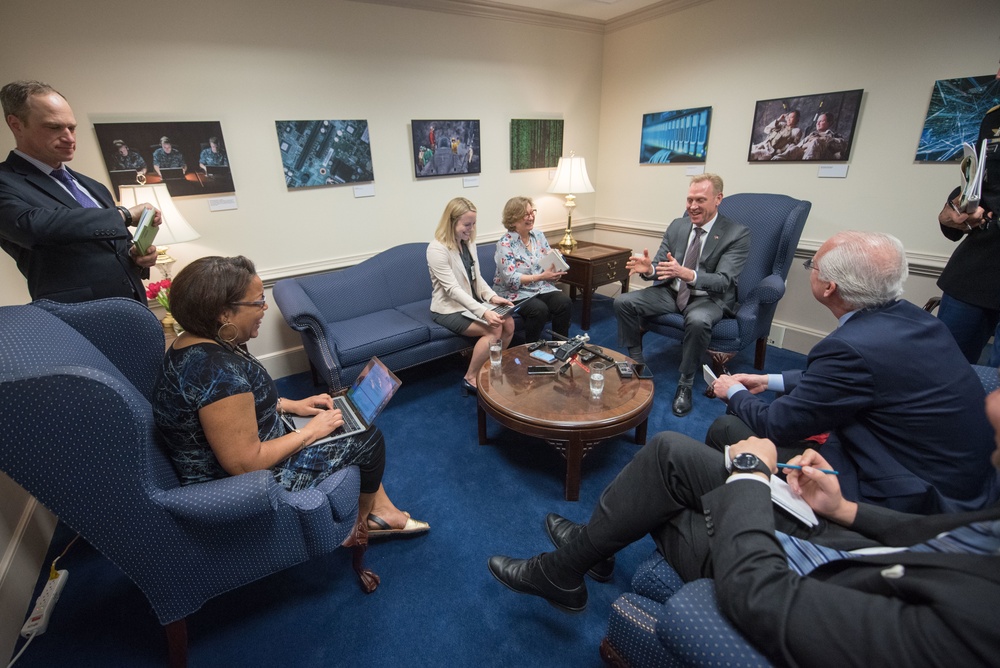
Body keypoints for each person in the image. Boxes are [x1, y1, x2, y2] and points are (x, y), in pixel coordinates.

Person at [487, 391, 1000, 665]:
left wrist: (751, 477)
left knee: (661, 496)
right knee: (666, 451)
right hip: (832, 534)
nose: (992, 404)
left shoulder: (974, 630)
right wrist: (845, 510)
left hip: (792, 574)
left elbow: (763, 597)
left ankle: (567, 566)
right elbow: (932, 532)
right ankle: (583, 555)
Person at [153, 256, 428, 588]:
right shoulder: (217, 372)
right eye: (258, 302)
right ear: (224, 313)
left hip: (249, 448)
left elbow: (238, 408)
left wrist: (292, 405)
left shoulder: (194, 342)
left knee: (347, 421)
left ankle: (381, 511)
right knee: (368, 438)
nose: (265, 308)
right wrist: (310, 433)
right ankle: (362, 524)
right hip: (245, 484)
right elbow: (245, 464)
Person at [707, 231, 1000, 514]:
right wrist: (768, 380)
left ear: (828, 287)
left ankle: (731, 514)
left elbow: (775, 424)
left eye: (813, 265)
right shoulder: (916, 317)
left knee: (726, 429)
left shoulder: (848, 347)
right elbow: (854, 379)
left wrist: (732, 391)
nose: (811, 269)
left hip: (912, 494)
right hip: (964, 479)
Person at [0, 80, 160, 303]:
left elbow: (112, 245)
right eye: (54, 127)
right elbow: (32, 227)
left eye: (72, 127)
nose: (69, 138)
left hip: (133, 308)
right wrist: (122, 214)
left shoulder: (92, 186)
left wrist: (137, 256)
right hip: (76, 316)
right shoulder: (6, 180)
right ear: (16, 125)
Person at [613, 173, 750, 417]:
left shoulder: (736, 233)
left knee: (698, 321)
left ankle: (685, 384)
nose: (693, 206)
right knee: (623, 301)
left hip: (708, 297)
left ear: (718, 199)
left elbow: (724, 281)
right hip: (672, 291)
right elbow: (661, 266)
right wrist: (650, 269)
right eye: (689, 200)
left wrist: (688, 274)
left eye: (700, 200)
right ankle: (636, 361)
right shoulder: (678, 225)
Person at [934, 60, 1000, 366]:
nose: (998, 75)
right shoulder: (994, 119)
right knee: (944, 371)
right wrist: (956, 212)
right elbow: (977, 184)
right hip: (978, 267)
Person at [427, 197, 515, 395]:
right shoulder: (436, 249)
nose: (471, 228)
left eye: (474, 223)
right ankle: (470, 378)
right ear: (451, 222)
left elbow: (477, 278)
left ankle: (492, 368)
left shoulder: (468, 242)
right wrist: (484, 312)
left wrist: (492, 298)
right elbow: (452, 290)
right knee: (494, 330)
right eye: (467, 224)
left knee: (509, 323)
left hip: (473, 303)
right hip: (449, 308)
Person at [493, 196, 571, 342]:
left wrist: (555, 271)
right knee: (539, 310)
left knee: (564, 302)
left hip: (541, 288)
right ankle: (530, 350)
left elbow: (547, 263)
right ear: (513, 219)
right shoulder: (505, 244)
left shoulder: (538, 236)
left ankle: (560, 345)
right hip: (515, 292)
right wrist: (542, 277)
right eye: (526, 214)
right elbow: (510, 279)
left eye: (532, 212)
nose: (531, 217)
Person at [776, 112, 849, 161]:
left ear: (829, 123)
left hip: (822, 155)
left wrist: (825, 140)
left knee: (816, 141)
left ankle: (806, 168)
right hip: (805, 152)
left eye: (821, 121)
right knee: (793, 148)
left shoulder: (834, 135)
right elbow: (799, 146)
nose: (818, 123)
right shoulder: (812, 134)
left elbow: (844, 145)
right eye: (817, 121)